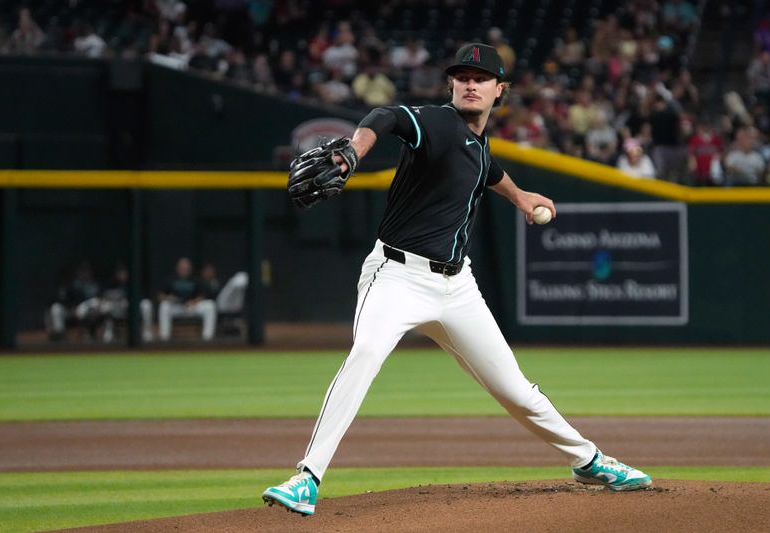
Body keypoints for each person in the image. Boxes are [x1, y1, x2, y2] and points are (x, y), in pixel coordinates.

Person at [263, 42, 652, 517]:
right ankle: (307, 478)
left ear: (499, 90)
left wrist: (521, 197)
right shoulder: (437, 122)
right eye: (462, 76)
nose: (470, 83)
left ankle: (588, 460)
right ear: (452, 85)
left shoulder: (476, 142)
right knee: (364, 354)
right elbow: (386, 116)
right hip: (397, 277)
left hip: (457, 288)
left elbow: (488, 170)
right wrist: (354, 150)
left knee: (515, 389)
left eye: (481, 77)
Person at [158, 257, 216, 341]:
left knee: (210, 305)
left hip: (191, 307)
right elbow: (160, 295)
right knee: (164, 306)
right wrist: (169, 298)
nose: (184, 270)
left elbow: (204, 295)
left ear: (190, 269)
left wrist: (194, 301)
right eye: (182, 268)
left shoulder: (195, 280)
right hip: (176, 307)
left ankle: (207, 338)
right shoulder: (171, 280)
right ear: (177, 268)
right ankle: (164, 338)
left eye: (186, 268)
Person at [98, 262, 154, 343]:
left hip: (131, 306)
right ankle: (108, 332)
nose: (122, 275)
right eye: (120, 273)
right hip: (116, 307)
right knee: (106, 306)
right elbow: (104, 296)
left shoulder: (133, 283)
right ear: (117, 274)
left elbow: (141, 297)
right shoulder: (112, 283)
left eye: (124, 272)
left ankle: (147, 332)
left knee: (147, 304)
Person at [46, 261, 102, 341]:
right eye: (82, 271)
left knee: (92, 305)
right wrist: (71, 308)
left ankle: (90, 335)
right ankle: (60, 335)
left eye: (86, 271)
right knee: (56, 308)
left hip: (84, 310)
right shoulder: (73, 285)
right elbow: (64, 300)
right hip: (71, 311)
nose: (84, 273)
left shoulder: (94, 285)